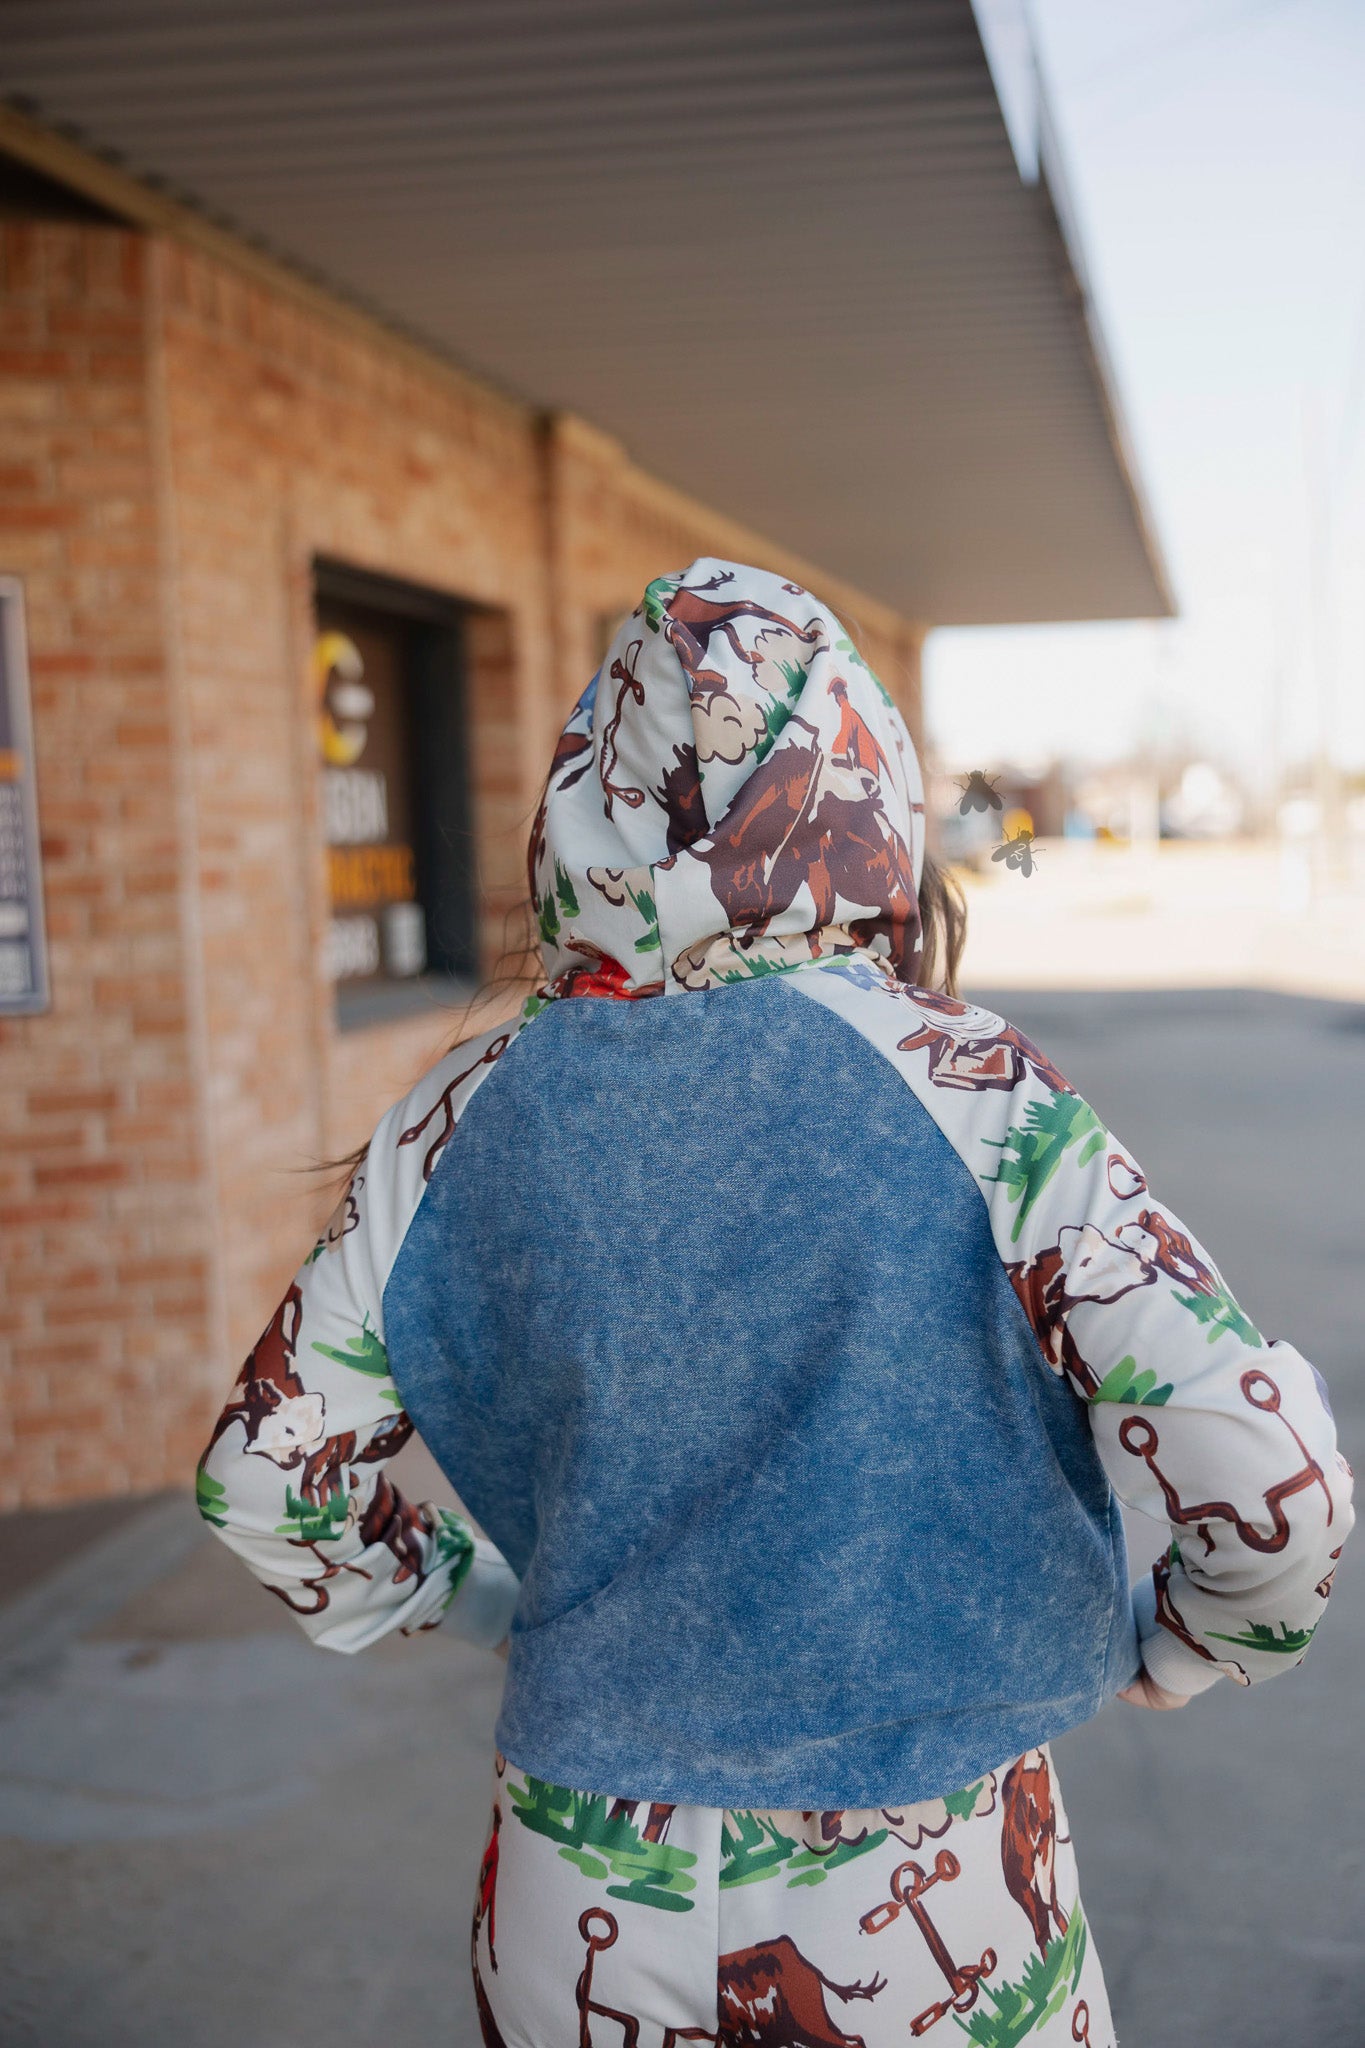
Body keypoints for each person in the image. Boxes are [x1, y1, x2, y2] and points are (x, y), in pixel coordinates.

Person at [197, 558, 1353, 2047]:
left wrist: (470, 1597)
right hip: (933, 1881)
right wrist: (1185, 1643)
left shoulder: (459, 1110)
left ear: (584, 808)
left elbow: (263, 1479)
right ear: (856, 797)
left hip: (571, 1889)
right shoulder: (967, 1085)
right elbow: (1275, 1477)